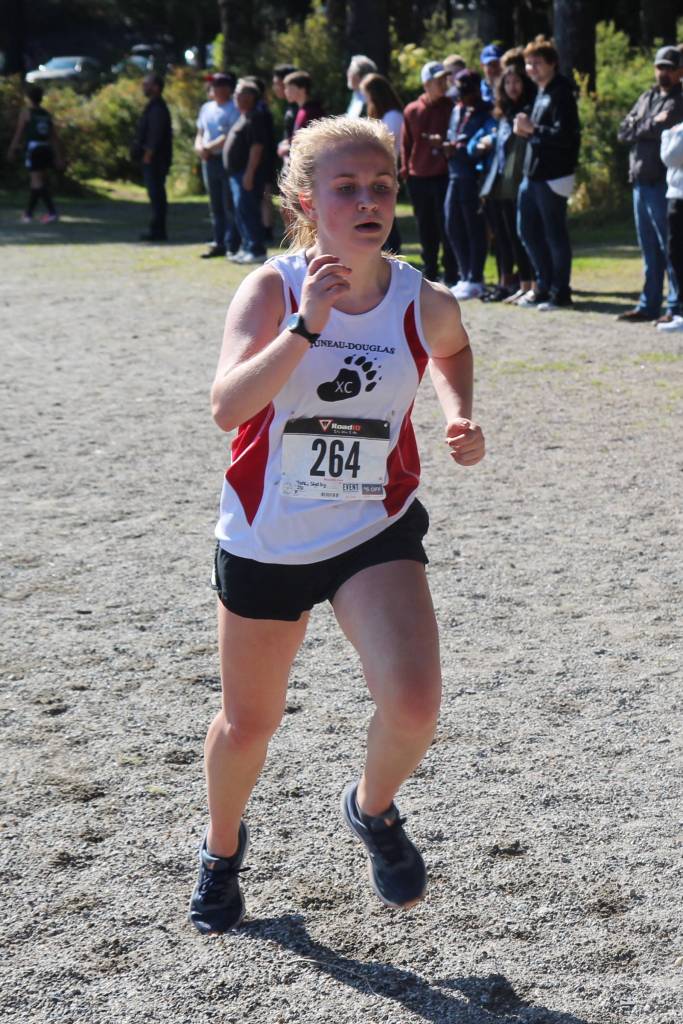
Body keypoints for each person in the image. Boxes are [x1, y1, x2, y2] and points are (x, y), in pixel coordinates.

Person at [188, 114, 486, 935]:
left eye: (382, 186)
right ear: (303, 201)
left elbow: (453, 348)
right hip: (266, 536)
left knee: (415, 704)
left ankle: (372, 809)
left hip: (370, 526)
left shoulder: (419, 297)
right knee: (251, 723)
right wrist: (307, 324)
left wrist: (458, 412)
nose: (369, 201)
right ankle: (221, 852)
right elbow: (227, 408)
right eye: (346, 188)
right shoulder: (273, 288)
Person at [616, 47, 683, 324]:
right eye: (659, 67)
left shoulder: (679, 99)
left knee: (671, 248)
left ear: (679, 70)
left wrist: (641, 126)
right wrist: (648, 124)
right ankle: (649, 304)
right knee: (648, 249)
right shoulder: (647, 97)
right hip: (639, 182)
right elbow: (623, 131)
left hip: (661, 184)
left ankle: (675, 305)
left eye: (668, 67)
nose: (662, 72)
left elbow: (663, 130)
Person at [513, 37, 580, 311]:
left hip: (553, 176)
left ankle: (560, 292)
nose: (531, 68)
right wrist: (525, 127)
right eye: (528, 64)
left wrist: (532, 130)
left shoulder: (562, 92)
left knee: (555, 235)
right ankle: (543, 286)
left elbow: (566, 136)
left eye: (537, 63)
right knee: (526, 230)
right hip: (533, 175)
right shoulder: (540, 91)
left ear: (552, 63)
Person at [477, 64, 537, 303]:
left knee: (521, 234)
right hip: (500, 182)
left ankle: (529, 283)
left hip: (520, 182)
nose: (513, 87)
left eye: (517, 82)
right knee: (505, 236)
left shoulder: (527, 111)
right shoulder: (503, 113)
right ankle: (513, 284)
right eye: (508, 83)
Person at [401, 61, 458, 285]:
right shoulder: (412, 110)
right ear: (427, 83)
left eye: (445, 79)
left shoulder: (451, 106)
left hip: (444, 175)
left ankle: (452, 271)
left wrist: (444, 143)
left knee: (447, 224)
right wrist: (405, 170)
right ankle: (431, 270)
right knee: (426, 225)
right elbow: (405, 144)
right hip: (419, 177)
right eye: (438, 81)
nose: (444, 84)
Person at [443, 69, 495, 300]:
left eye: (464, 93)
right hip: (454, 173)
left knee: (474, 227)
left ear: (476, 91)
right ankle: (465, 276)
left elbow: (483, 146)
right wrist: (446, 146)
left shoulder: (485, 112)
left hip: (473, 177)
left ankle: (476, 277)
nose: (460, 98)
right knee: (452, 223)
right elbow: (453, 135)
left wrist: (461, 148)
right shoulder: (457, 110)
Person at [222, 79, 270, 265]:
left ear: (249, 97)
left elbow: (257, 147)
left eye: (238, 93)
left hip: (245, 174)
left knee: (248, 210)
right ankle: (248, 246)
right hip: (237, 174)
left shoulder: (256, 117)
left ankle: (256, 249)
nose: (234, 96)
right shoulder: (246, 115)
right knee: (241, 212)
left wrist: (249, 173)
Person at [195, 72, 240, 258]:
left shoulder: (233, 108)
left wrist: (208, 148)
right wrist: (199, 147)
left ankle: (232, 243)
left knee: (228, 203)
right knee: (215, 204)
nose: (212, 88)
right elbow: (200, 131)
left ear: (227, 88)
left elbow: (229, 134)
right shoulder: (206, 107)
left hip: (225, 159)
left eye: (216, 85)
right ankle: (218, 241)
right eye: (212, 85)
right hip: (208, 160)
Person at [360, 72, 405, 251]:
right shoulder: (382, 115)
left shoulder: (393, 116)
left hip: (386, 171)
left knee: (385, 215)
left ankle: (393, 251)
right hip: (376, 172)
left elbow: (387, 147)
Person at [7, 84, 64, 224]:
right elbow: (54, 137)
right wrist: (58, 156)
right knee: (37, 182)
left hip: (34, 149)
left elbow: (19, 133)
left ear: (29, 98)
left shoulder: (27, 113)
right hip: (46, 149)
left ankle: (51, 212)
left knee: (37, 182)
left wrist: (12, 148)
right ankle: (28, 214)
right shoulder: (46, 114)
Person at [132, 73, 173, 242]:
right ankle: (156, 228)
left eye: (147, 84)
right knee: (155, 194)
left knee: (157, 194)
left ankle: (158, 230)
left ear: (156, 87)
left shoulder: (158, 108)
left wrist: (149, 154)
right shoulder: (153, 106)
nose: (144, 87)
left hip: (156, 159)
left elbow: (155, 134)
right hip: (154, 158)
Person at [658, 120, 683, 331]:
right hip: (676, 195)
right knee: (675, 254)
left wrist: (667, 134)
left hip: (680, 197)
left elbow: (670, 157)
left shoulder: (679, 130)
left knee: (678, 253)